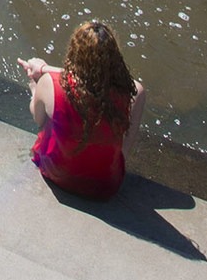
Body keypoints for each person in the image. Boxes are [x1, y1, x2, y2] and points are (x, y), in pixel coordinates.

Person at [23, 21, 139, 199]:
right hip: (105, 186)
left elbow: (38, 119)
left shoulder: (50, 83)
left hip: (56, 174)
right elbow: (124, 149)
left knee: (48, 120)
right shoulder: (134, 92)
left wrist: (34, 86)